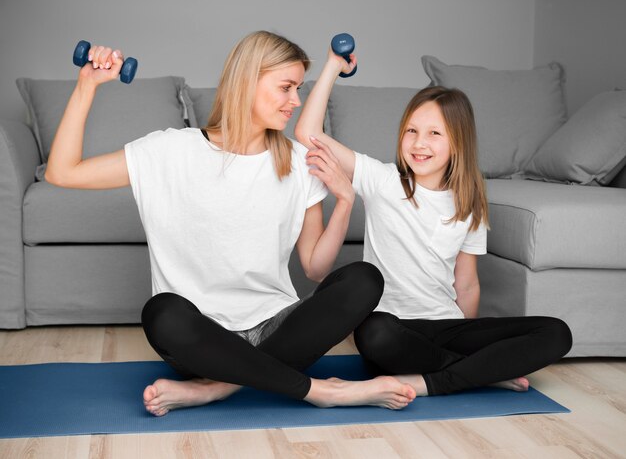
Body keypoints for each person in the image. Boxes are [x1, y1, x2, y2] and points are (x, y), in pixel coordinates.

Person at [45, 31, 417, 415]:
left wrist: (345, 200)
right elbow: (62, 172)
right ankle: (322, 391)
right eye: (286, 88)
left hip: (278, 329)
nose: (296, 101)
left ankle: (216, 389)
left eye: (299, 89)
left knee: (363, 279)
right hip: (202, 342)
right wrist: (86, 86)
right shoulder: (170, 150)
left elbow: (316, 269)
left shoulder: (298, 162)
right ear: (248, 81)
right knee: (162, 313)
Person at [294, 45, 572, 398]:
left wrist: (468, 337)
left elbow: (467, 285)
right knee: (374, 334)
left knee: (557, 332)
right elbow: (307, 133)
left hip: (445, 325)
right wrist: (333, 66)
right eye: (411, 131)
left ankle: (435, 379)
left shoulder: (469, 204)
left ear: (458, 142)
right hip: (393, 329)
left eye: (434, 134)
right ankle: (476, 374)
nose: (419, 143)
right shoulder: (382, 181)